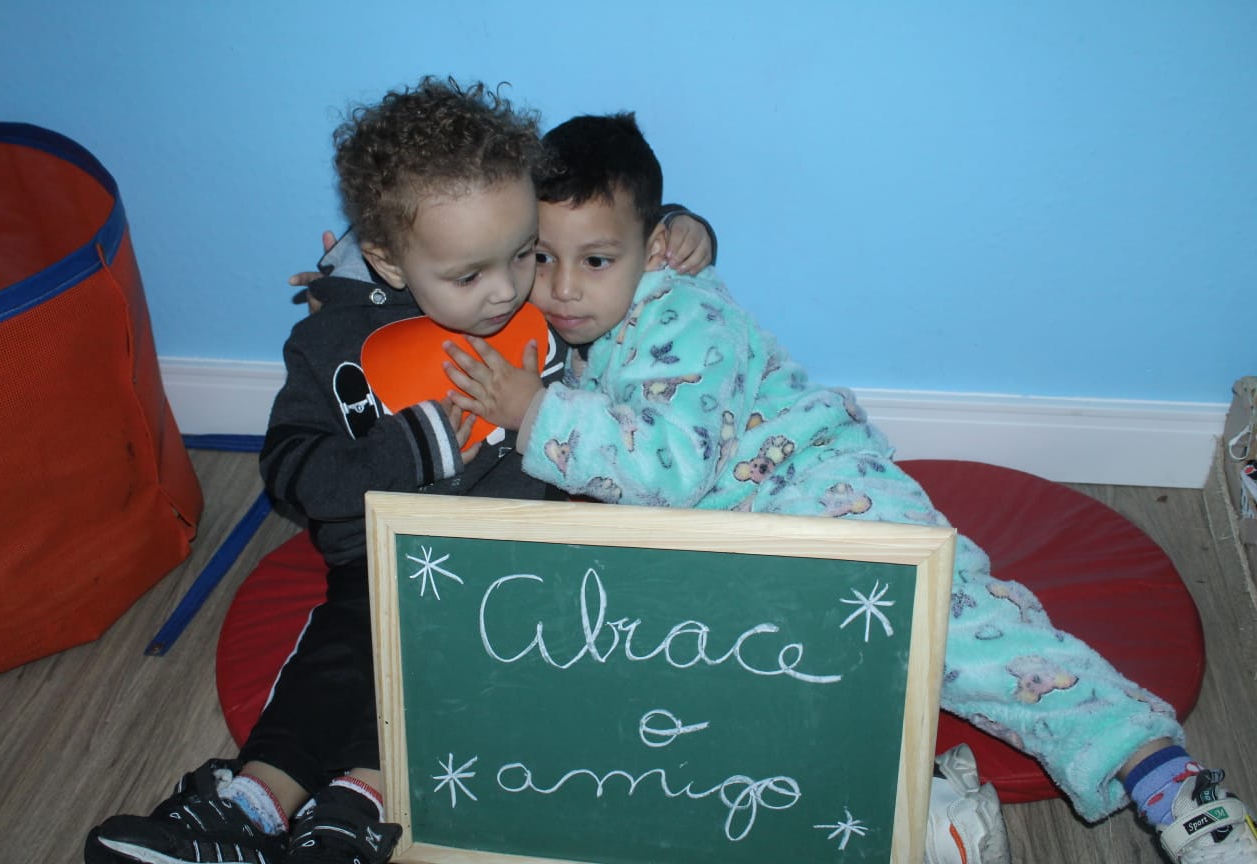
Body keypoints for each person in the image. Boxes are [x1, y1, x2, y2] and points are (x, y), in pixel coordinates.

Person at [443, 111, 1257, 864]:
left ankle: (1170, 781)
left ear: (654, 250)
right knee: (751, 682)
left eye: (595, 261)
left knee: (964, 636)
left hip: (826, 492)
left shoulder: (685, 317)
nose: (563, 288)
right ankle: (924, 797)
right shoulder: (586, 319)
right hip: (747, 542)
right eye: (541, 258)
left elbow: (668, 470)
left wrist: (535, 414)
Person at [83, 81, 714, 864]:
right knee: (344, 652)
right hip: (383, 556)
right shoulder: (335, 343)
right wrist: (411, 448)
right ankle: (247, 807)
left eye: (523, 252)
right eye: (469, 275)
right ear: (385, 257)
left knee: (458, 667)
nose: (508, 289)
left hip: (517, 560)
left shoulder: (551, 302)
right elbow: (291, 473)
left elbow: (605, 223)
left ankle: (354, 811)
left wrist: (685, 226)